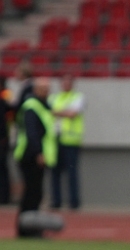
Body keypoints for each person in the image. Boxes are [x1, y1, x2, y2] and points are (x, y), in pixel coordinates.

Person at [14, 76, 57, 238]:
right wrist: (39, 153)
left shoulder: (43, 105)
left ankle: (29, 227)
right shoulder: (32, 106)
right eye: (43, 89)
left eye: (47, 89)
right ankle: (27, 228)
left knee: (35, 193)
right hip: (30, 156)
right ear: (36, 90)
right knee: (32, 194)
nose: (46, 92)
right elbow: (32, 133)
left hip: (35, 155)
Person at [49, 73, 85, 210]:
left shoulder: (78, 97)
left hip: (71, 140)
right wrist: (64, 112)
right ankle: (56, 201)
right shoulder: (54, 97)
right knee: (55, 172)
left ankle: (74, 202)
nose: (66, 84)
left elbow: (72, 114)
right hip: (55, 139)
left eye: (68, 82)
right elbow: (49, 111)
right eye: (64, 82)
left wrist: (57, 112)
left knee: (72, 172)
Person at [0, 77, 14, 204]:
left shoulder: (5, 97)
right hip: (4, 138)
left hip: (3, 140)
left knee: (2, 169)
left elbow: (6, 121)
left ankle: (4, 197)